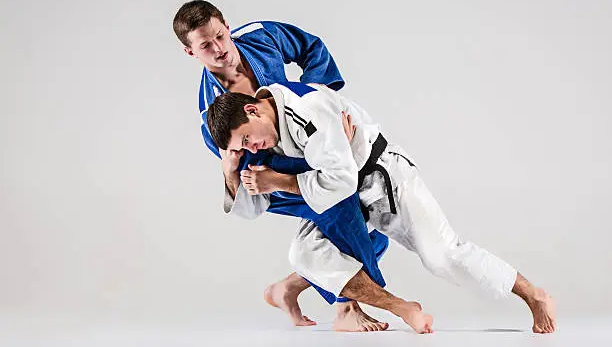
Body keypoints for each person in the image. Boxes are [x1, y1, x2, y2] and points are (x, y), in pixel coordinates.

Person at [206, 82, 557, 334]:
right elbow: (253, 209)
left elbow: (339, 180)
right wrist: (230, 169)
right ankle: (398, 307)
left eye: (247, 139)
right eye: (243, 147)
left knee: (443, 256)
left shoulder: (305, 111)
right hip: (346, 200)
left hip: (385, 179)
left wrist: (280, 182)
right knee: (305, 252)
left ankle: (534, 295)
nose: (252, 148)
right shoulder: (268, 131)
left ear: (251, 109)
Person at [173, 0, 410, 332]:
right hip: (275, 175)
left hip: (310, 143)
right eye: (205, 46)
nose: (219, 49)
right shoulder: (210, 114)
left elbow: (311, 48)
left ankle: (288, 288)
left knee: (371, 226)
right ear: (190, 53)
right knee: (343, 211)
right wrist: (263, 176)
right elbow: (249, 176)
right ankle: (348, 309)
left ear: (226, 25)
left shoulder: (259, 36)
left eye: (219, 36)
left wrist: (323, 108)